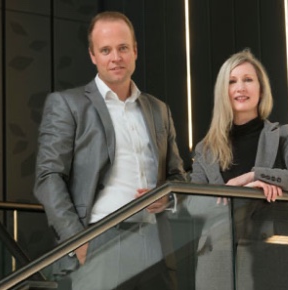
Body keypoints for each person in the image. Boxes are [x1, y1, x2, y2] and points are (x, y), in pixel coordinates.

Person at [33, 11, 187, 290]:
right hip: (98, 240)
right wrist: (77, 241)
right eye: (106, 50)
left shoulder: (159, 110)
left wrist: (167, 199)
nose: (115, 57)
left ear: (135, 51)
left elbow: (177, 175)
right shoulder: (67, 105)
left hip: (155, 242)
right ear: (93, 55)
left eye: (123, 48)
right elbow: (48, 177)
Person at [184, 49, 288, 290]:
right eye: (232, 81)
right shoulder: (205, 149)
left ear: (261, 88)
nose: (241, 88)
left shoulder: (283, 136)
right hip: (218, 259)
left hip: (272, 259)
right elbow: (193, 205)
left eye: (248, 80)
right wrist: (232, 191)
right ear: (223, 92)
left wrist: (257, 175)